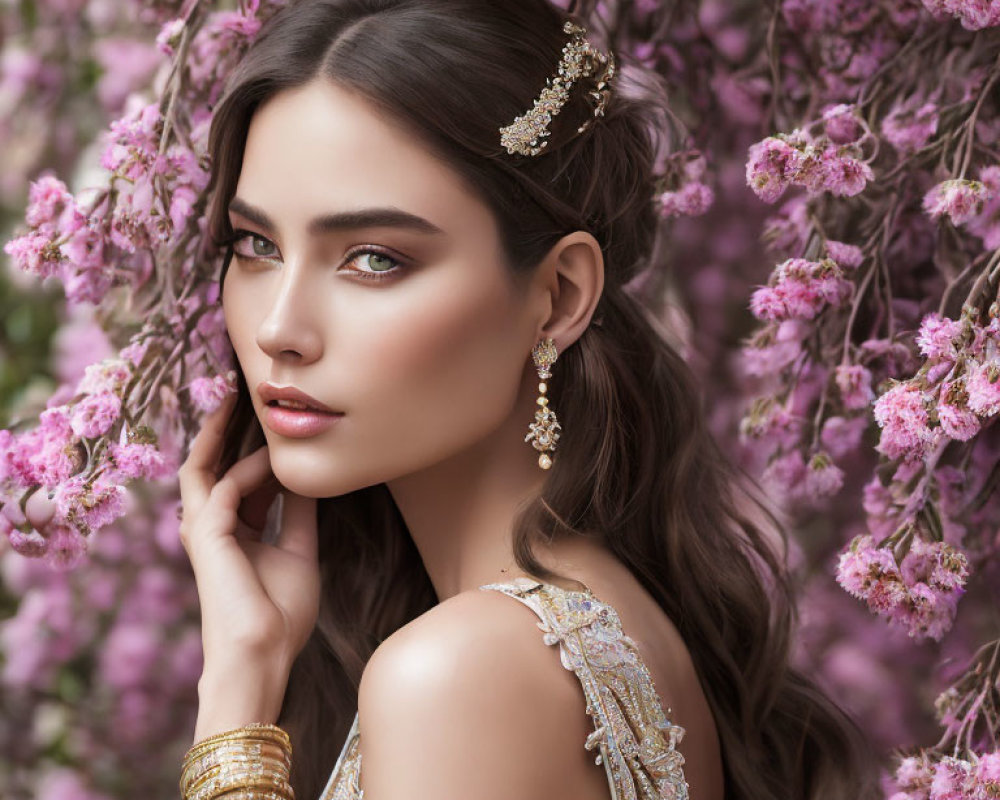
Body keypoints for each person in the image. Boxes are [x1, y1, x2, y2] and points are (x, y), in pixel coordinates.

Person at [176, 1, 881, 798]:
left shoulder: (460, 675)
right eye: (256, 245)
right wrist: (254, 649)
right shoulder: (609, 624)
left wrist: (234, 704)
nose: (278, 328)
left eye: (374, 258)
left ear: (558, 296)